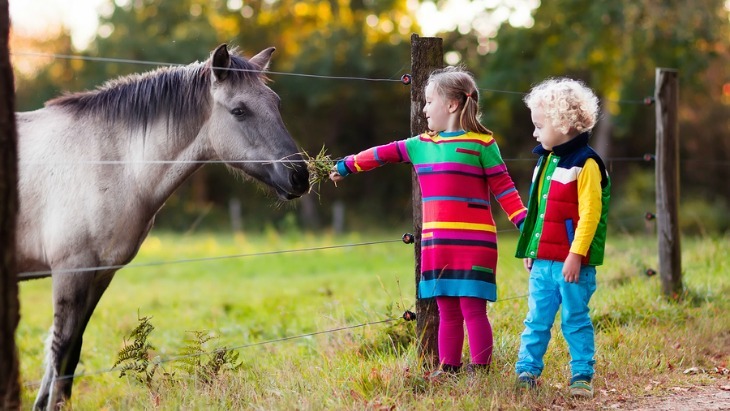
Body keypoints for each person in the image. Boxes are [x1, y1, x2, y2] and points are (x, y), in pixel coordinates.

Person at [330, 66, 527, 375]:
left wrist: (524, 225)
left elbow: (505, 189)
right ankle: (450, 369)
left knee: (473, 309)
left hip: (475, 244)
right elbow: (381, 154)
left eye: (428, 101)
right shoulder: (420, 145)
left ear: (451, 104)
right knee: (446, 309)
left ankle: (482, 370)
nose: (424, 109)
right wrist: (347, 165)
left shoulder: (482, 145)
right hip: (438, 245)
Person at [513, 78, 611, 398]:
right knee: (536, 318)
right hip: (542, 261)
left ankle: (581, 373)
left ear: (563, 123)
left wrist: (576, 254)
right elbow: (539, 208)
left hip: (573, 265)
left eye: (539, 125)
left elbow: (590, 216)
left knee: (575, 318)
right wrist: (532, 246)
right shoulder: (545, 160)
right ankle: (527, 370)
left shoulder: (587, 164)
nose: (535, 133)